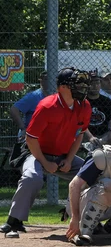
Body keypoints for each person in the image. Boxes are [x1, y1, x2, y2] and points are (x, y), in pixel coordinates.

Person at [1, 68, 92, 238]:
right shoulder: (47, 106)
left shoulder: (84, 106)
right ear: (63, 87)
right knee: (31, 177)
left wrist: (70, 159)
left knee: (94, 173)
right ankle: (14, 221)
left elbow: (79, 134)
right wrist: (44, 162)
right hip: (35, 153)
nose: (83, 87)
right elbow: (31, 138)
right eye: (77, 84)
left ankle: (89, 219)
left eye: (83, 84)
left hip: (63, 155)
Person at [9, 71, 51, 139]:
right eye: (46, 79)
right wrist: (23, 128)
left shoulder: (57, 96)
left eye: (51, 79)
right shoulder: (33, 97)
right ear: (41, 81)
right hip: (32, 135)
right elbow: (14, 109)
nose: (49, 82)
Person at [83, 71, 111, 151]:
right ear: (87, 85)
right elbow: (80, 123)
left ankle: (97, 145)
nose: (95, 86)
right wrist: (90, 137)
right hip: (87, 134)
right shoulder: (83, 102)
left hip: (104, 134)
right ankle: (93, 145)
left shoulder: (106, 101)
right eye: (92, 83)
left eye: (97, 83)